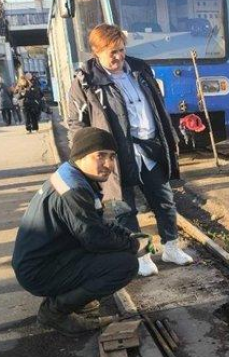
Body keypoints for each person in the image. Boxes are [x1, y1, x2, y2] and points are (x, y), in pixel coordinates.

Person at [66, 23, 193, 277]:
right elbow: (75, 123)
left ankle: (170, 247)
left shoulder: (140, 69)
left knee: (164, 200)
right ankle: (141, 256)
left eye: (121, 50)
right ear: (96, 52)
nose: (118, 56)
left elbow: (158, 106)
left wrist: (170, 136)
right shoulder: (85, 81)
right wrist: (86, 157)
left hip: (149, 149)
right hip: (115, 155)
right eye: (112, 52)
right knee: (124, 209)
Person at [12, 128, 145, 336]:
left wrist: (126, 236)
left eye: (112, 157)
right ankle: (54, 312)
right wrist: (131, 244)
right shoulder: (74, 189)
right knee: (125, 265)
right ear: (81, 155)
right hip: (39, 271)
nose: (109, 164)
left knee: (117, 249)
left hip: (45, 259)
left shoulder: (72, 174)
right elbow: (95, 239)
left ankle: (76, 299)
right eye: (100, 156)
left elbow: (95, 222)